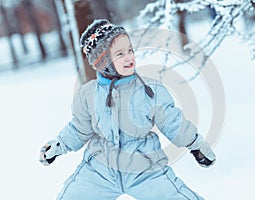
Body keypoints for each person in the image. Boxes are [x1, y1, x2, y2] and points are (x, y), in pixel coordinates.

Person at [39, 19, 216, 200]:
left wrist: (196, 144)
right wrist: (59, 145)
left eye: (130, 50)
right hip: (100, 170)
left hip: (144, 169)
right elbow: (79, 128)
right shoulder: (89, 94)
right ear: (103, 62)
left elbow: (172, 121)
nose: (130, 57)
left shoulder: (149, 90)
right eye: (120, 54)